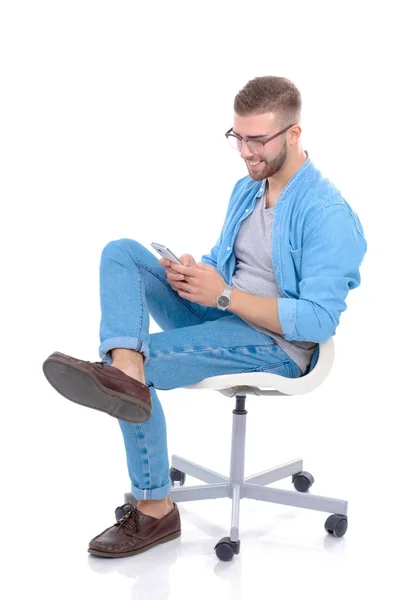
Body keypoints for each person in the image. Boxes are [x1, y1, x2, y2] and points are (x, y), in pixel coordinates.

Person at [42, 75, 367, 558]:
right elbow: (226, 262)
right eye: (238, 138)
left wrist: (225, 297)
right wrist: (196, 274)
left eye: (258, 140)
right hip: (222, 314)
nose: (245, 152)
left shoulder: (327, 213)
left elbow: (319, 321)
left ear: (294, 134)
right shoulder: (247, 190)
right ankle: (125, 372)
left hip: (277, 345)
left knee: (139, 365)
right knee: (122, 253)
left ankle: (155, 509)